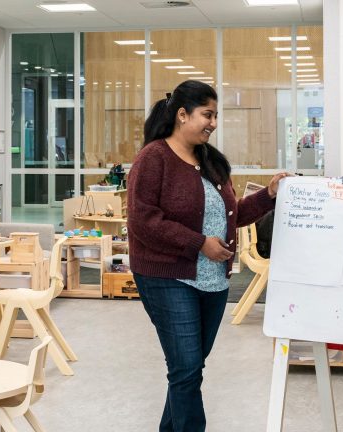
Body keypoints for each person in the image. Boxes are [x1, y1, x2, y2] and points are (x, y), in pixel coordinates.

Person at [127, 79, 289, 432]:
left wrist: (270, 194)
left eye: (215, 115)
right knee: (185, 368)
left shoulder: (211, 162)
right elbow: (143, 220)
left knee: (190, 367)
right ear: (182, 115)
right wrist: (199, 243)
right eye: (207, 114)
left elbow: (234, 215)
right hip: (168, 277)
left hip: (213, 281)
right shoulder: (153, 158)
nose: (213, 123)